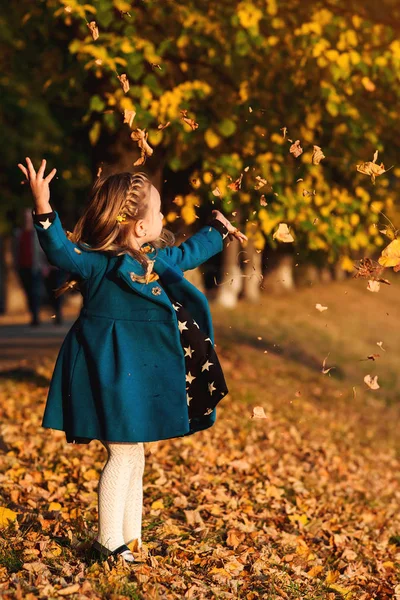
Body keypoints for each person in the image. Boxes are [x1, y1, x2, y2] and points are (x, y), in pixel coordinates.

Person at [17, 157, 247, 564]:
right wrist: (43, 207)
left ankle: (131, 540)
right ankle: (108, 542)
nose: (162, 216)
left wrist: (219, 229)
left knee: (133, 452)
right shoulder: (98, 264)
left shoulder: (157, 263)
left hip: (137, 376)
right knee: (122, 453)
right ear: (140, 227)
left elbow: (192, 251)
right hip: (104, 372)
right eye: (157, 211)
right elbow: (60, 252)